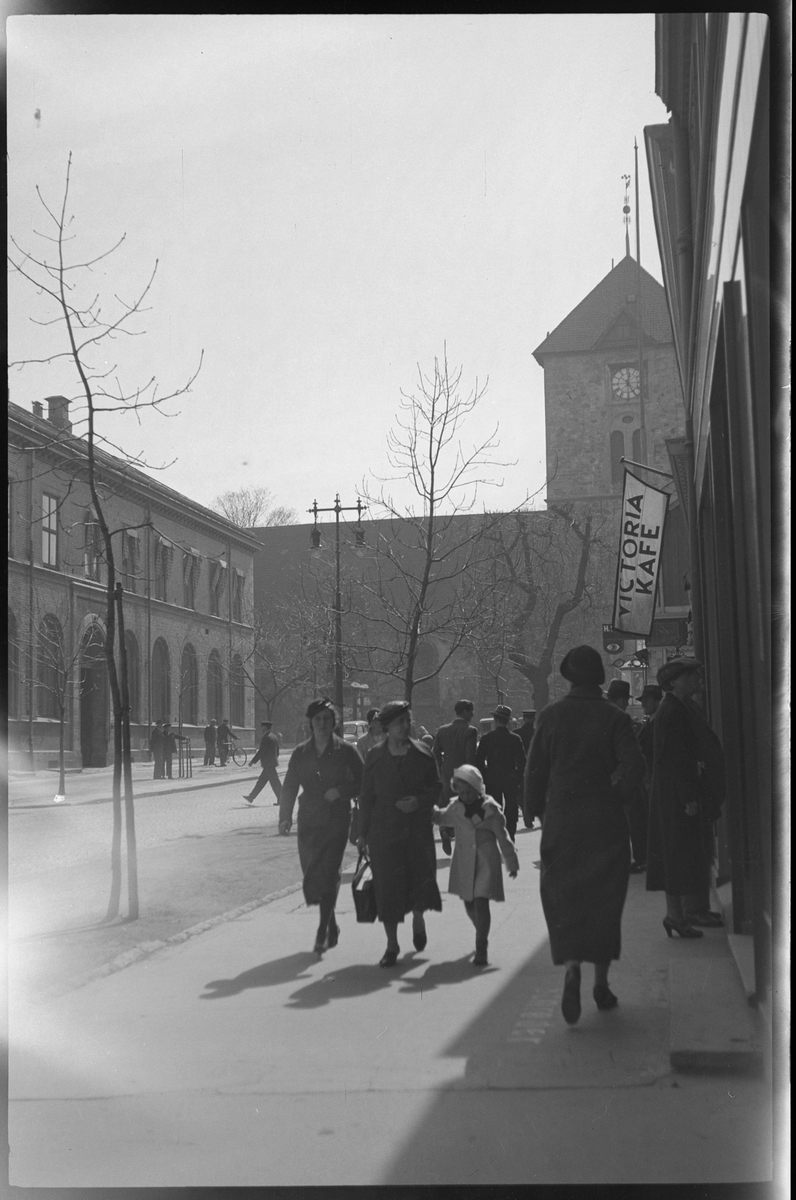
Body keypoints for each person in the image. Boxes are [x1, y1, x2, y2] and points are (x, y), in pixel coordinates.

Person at [524, 644, 644, 1025]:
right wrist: (619, 795)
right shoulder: (614, 718)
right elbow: (634, 766)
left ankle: (572, 965)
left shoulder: (551, 716)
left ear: (568, 676)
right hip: (604, 821)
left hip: (562, 820)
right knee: (606, 900)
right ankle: (602, 984)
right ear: (598, 677)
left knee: (565, 897)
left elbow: (534, 770)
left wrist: (535, 811)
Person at [357, 700, 443, 967]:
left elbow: (436, 788)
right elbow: (366, 796)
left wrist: (419, 801)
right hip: (384, 831)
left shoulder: (423, 754)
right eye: (399, 722)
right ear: (387, 727)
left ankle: (418, 918)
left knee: (419, 881)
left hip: (417, 830)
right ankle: (392, 944)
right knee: (387, 889)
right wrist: (362, 833)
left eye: (408, 721)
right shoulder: (374, 756)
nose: (405, 726)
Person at [646, 658, 726, 935]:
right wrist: (688, 797)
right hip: (679, 798)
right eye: (690, 675)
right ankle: (679, 916)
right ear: (674, 682)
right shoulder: (673, 710)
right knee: (680, 856)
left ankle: (686, 913)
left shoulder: (679, 707)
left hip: (679, 794)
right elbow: (677, 758)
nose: (696, 678)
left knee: (686, 855)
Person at [279, 698, 364, 954]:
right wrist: (285, 817)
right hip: (309, 819)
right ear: (310, 723)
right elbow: (290, 785)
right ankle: (333, 924)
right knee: (312, 873)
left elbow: (364, 782)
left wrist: (341, 791)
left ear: (334, 722)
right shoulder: (301, 752)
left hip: (337, 818)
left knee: (328, 873)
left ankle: (322, 930)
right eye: (318, 720)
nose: (323, 724)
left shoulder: (346, 750)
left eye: (327, 719)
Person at [432, 765, 519, 966]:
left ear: (479, 788)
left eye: (469, 792)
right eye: (461, 792)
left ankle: (481, 946)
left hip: (486, 859)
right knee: (469, 903)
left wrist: (511, 862)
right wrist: (430, 808)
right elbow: (441, 818)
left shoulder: (491, 809)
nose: (466, 796)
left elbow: (503, 837)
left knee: (481, 901)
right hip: (464, 859)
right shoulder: (455, 808)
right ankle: (480, 929)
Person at [606, 679, 646, 873]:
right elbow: (631, 757)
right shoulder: (620, 719)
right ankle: (637, 858)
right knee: (633, 823)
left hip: (608, 781)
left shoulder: (600, 715)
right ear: (621, 700)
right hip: (623, 780)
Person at [432, 699, 478, 855]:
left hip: (446, 773)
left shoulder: (442, 730)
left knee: (447, 803)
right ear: (465, 712)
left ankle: (445, 830)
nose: (473, 714)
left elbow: (435, 752)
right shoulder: (470, 731)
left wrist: (440, 767)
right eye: (471, 711)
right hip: (463, 774)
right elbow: (470, 756)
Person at [475, 704, 527, 840]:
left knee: (494, 809)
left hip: (492, 778)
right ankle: (510, 836)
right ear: (507, 721)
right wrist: (517, 776)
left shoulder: (487, 738)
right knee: (511, 807)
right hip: (510, 777)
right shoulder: (515, 738)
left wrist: (484, 776)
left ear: (496, 720)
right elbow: (522, 761)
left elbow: (479, 761)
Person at [243, 720, 283, 805]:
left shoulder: (266, 737)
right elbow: (277, 751)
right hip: (271, 763)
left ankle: (283, 799)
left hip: (268, 764)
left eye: (262, 728)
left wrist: (253, 761)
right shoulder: (274, 736)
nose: (261, 729)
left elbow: (262, 751)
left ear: (265, 728)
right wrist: (274, 759)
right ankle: (251, 797)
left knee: (274, 783)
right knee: (262, 782)